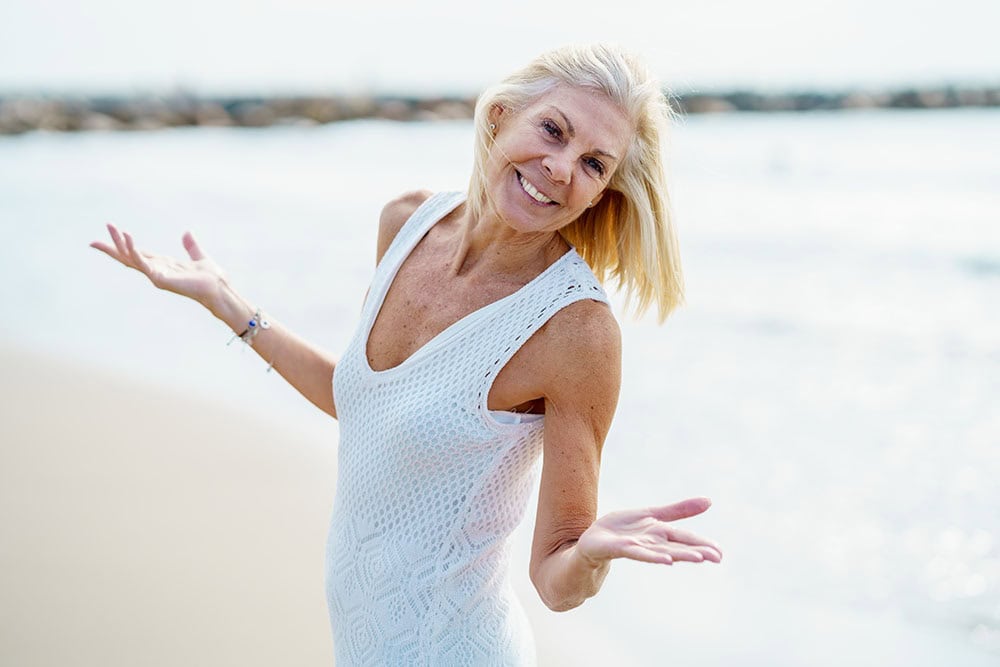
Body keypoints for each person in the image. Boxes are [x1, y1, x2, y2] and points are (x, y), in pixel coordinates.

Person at [91, 43, 722, 666]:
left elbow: (555, 575)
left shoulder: (575, 331)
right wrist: (226, 301)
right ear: (501, 115)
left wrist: (589, 557)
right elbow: (366, 403)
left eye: (593, 164)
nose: (561, 167)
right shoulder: (406, 222)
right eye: (553, 130)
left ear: (601, 194)